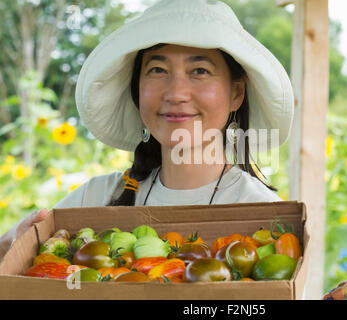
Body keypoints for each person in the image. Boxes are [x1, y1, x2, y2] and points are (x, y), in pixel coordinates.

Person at [0, 0, 294, 260]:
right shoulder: (94, 198)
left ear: (236, 93)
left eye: (200, 71)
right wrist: (11, 247)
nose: (176, 93)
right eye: (157, 70)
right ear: (137, 90)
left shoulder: (263, 214)